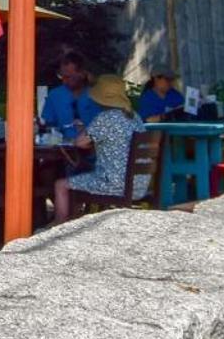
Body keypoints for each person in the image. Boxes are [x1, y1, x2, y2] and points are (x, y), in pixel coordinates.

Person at [53, 75, 149, 220]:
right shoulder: (135, 117)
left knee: (61, 185)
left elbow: (80, 143)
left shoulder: (105, 118)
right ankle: (77, 219)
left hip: (116, 185)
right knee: (84, 172)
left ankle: (58, 228)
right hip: (139, 185)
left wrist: (81, 130)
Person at [41, 53, 101, 141]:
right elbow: (47, 124)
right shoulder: (55, 95)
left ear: (82, 74)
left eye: (68, 77)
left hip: (93, 149)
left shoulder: (97, 95)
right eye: (62, 76)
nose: (64, 80)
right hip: (63, 150)